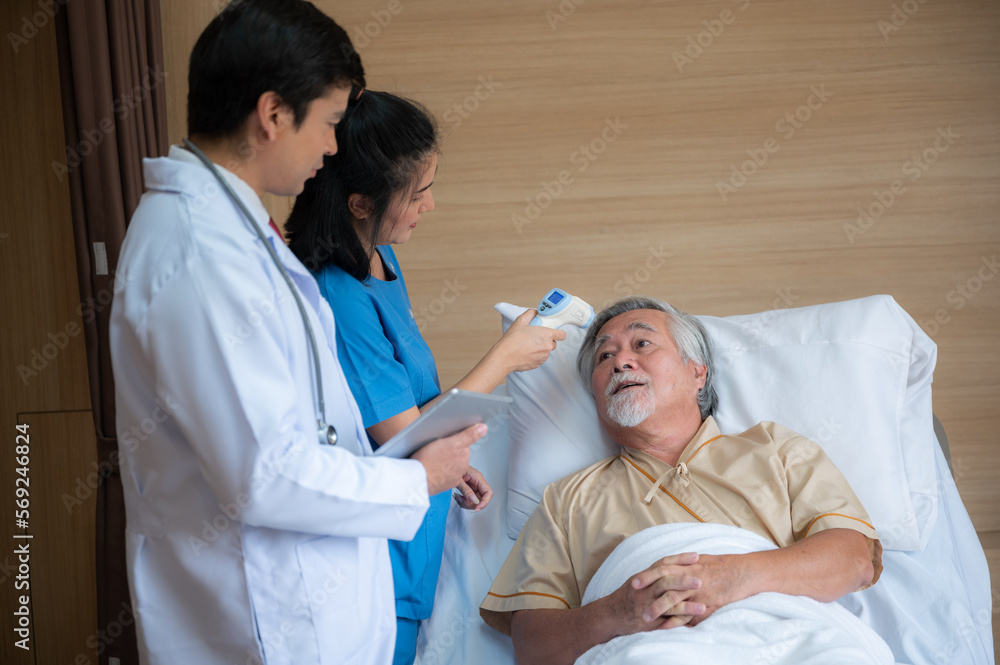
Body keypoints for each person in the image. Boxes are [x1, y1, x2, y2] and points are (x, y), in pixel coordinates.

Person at [109, 2, 483, 664]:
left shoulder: (237, 233)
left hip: (307, 609)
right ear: (274, 114)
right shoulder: (201, 253)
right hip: (263, 624)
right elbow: (264, 475)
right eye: (330, 122)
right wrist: (414, 478)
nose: (335, 147)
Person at [283, 90, 566, 664]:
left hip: (417, 527)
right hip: (374, 559)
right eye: (419, 191)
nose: (429, 205)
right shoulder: (337, 293)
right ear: (361, 203)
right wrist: (506, 356)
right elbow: (401, 436)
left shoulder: (383, 262)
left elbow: (407, 411)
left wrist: (450, 466)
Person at [479, 296, 884, 665]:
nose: (620, 362)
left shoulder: (776, 448)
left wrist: (735, 577)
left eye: (642, 345)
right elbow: (533, 647)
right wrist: (618, 613)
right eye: (605, 356)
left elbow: (853, 561)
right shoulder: (565, 499)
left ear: (697, 372)